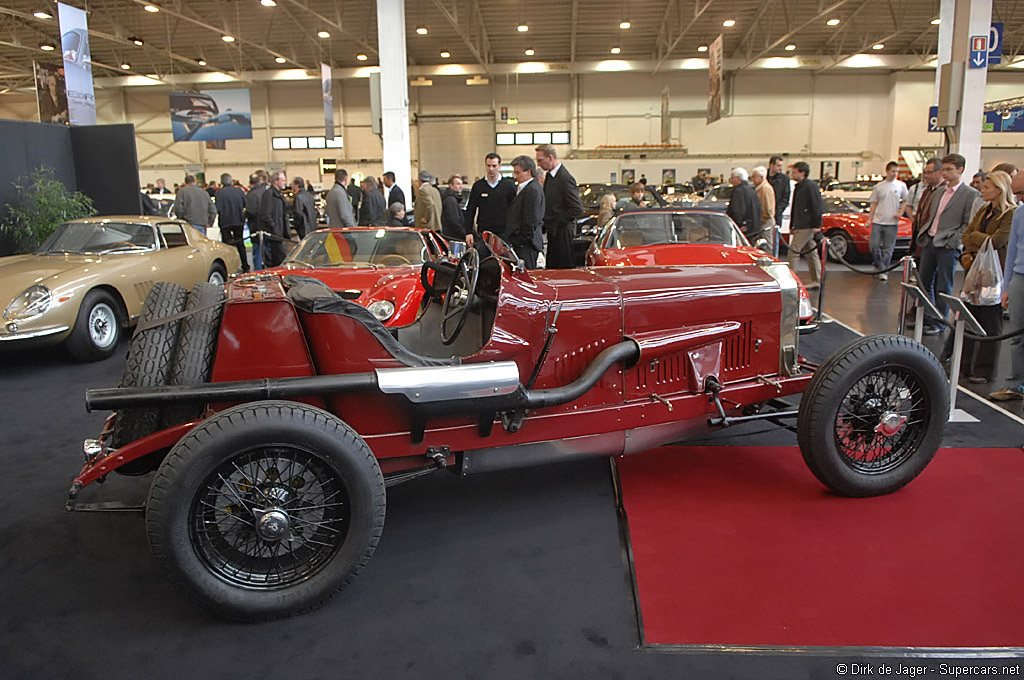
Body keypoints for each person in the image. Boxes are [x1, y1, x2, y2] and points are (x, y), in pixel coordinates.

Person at [945, 171, 1015, 385]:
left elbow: (998, 241)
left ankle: (984, 369)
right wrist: (973, 245)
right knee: (968, 317)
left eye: (986, 187)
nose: (982, 190)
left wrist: (976, 239)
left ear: (999, 189)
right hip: (975, 271)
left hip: (996, 274)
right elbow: (967, 235)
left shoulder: (1010, 214)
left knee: (991, 322)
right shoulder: (984, 210)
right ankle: (964, 364)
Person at [917, 153, 979, 336]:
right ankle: (927, 317)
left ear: (960, 170)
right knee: (924, 282)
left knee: (944, 285)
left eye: (949, 169)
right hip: (930, 240)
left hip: (947, 245)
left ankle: (940, 322)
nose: (944, 173)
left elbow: (968, 223)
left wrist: (953, 242)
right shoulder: (938, 192)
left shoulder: (969, 194)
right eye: (943, 169)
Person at [989, 169, 1024, 401]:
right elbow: (1012, 249)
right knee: (1017, 334)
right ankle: (1015, 384)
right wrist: (1007, 285)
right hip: (1020, 277)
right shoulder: (1020, 212)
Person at [535, 144, 583, 269]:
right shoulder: (551, 176)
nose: (538, 164)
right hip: (554, 232)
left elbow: (576, 208)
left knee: (563, 269)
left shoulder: (564, 178)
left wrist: (556, 222)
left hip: (562, 233)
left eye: (540, 160)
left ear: (550, 157)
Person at [866, 161, 909, 280]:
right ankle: (879, 265)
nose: (895, 174)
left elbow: (906, 200)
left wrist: (901, 212)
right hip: (878, 221)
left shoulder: (901, 186)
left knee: (888, 249)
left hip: (892, 223)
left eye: (897, 172)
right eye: (893, 171)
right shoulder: (879, 187)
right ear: (887, 171)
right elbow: (873, 204)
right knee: (874, 246)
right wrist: (870, 219)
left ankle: (883, 270)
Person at [786, 161, 824, 289]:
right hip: (802, 224)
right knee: (810, 253)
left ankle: (791, 279)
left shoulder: (810, 186)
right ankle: (817, 279)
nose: (792, 174)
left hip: (807, 225)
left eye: (795, 172)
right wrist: (792, 225)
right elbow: (795, 207)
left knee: (794, 251)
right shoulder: (799, 187)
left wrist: (817, 224)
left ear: (802, 173)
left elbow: (817, 206)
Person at [505, 156, 545, 268]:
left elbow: (531, 219)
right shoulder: (524, 189)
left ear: (528, 172)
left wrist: (520, 241)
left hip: (527, 245)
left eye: (518, 172)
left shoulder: (532, 190)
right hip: (523, 243)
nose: (515, 176)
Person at [466, 153, 516, 240]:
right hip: (484, 232)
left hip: (504, 232)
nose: (491, 169)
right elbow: (471, 209)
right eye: (488, 166)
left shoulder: (509, 185)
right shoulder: (478, 186)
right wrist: (468, 232)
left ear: (499, 166)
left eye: (494, 166)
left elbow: (515, 209)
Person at [216, 172, 248, 271]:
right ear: (231, 181)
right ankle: (245, 265)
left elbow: (218, 208)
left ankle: (230, 267)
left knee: (227, 246)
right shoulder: (239, 191)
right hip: (238, 220)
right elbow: (244, 204)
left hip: (225, 222)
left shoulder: (219, 193)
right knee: (240, 243)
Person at [258, 170, 291, 267]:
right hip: (274, 235)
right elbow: (266, 215)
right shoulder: (269, 194)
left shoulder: (279, 195)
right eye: (283, 180)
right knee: (277, 260)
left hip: (279, 234)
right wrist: (275, 229)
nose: (285, 182)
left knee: (281, 258)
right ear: (276, 181)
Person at [725, 167, 761, 240]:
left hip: (743, 231)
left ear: (738, 178)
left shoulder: (739, 192)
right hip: (754, 229)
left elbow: (738, 211)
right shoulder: (752, 190)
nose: (731, 181)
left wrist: (740, 224)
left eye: (732, 178)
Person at [245, 171, 269, 269]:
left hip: (256, 228)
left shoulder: (252, 195)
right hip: (268, 228)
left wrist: (244, 214)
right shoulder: (267, 192)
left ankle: (258, 273)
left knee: (257, 254)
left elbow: (251, 211)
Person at [750, 166, 776, 244]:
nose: (752, 179)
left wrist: (761, 221)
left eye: (754, 177)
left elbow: (767, 208)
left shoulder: (765, 188)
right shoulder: (759, 188)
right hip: (763, 220)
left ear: (761, 177)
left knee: (767, 245)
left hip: (765, 221)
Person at [440, 175, 468, 241]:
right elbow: (454, 220)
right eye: (458, 184)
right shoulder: (450, 200)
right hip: (453, 236)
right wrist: (463, 233)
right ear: (451, 185)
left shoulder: (453, 199)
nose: (461, 186)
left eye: (461, 184)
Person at [767, 155, 791, 231]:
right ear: (771, 165)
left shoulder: (784, 179)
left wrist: (779, 210)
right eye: (778, 166)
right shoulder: (763, 177)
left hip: (776, 214)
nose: (780, 168)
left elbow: (786, 196)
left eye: (781, 166)